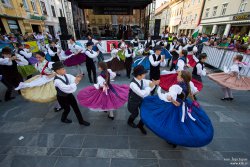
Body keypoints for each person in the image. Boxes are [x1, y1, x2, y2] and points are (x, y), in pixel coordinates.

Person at [140, 70, 214, 147]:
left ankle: (172, 139)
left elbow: (168, 98)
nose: (177, 76)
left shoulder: (176, 87)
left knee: (165, 118)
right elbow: (194, 92)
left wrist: (162, 92)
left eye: (178, 76)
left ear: (182, 78)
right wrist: (192, 100)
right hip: (184, 105)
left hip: (175, 106)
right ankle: (174, 141)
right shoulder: (189, 83)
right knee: (178, 123)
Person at [127, 65, 159, 134]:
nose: (145, 75)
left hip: (141, 100)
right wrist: (150, 87)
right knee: (135, 113)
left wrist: (153, 83)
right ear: (139, 75)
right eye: (144, 74)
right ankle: (130, 121)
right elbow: (142, 93)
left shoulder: (141, 80)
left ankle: (140, 125)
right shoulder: (133, 84)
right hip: (133, 101)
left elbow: (148, 82)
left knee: (144, 113)